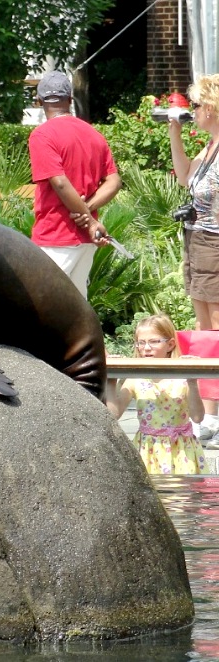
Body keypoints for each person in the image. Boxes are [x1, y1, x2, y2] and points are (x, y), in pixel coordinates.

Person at [28, 70, 122, 299]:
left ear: (39, 102)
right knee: (77, 307)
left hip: (55, 235)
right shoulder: (93, 134)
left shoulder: (42, 135)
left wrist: (87, 219)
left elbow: (59, 183)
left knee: (43, 305)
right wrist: (88, 212)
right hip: (86, 240)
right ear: (70, 100)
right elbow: (114, 181)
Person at [168, 74, 219, 440]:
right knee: (204, 328)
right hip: (198, 241)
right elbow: (185, 177)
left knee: (215, 328)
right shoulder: (211, 146)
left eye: (197, 106)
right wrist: (174, 131)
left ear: (213, 107)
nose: (193, 112)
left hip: (215, 245)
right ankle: (210, 413)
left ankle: (213, 414)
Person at [105, 313, 208, 475]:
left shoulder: (182, 379)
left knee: (181, 495)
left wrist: (192, 381)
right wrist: (110, 381)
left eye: (154, 342)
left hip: (181, 449)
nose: (146, 348)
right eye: (141, 343)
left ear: (170, 344)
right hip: (148, 450)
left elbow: (197, 417)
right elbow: (113, 414)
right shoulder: (135, 379)